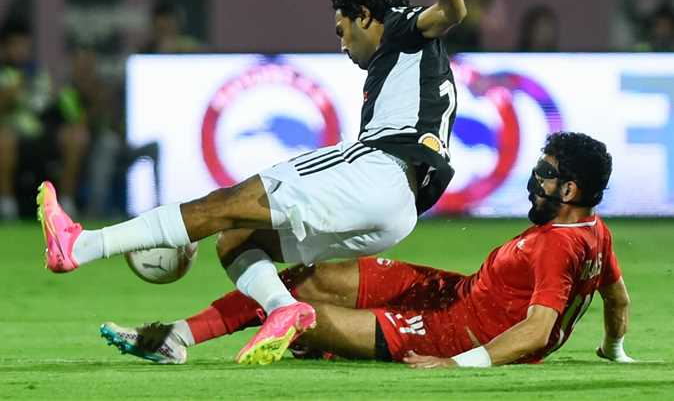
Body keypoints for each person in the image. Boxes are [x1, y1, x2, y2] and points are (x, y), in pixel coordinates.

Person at [38, 0, 467, 364]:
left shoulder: (398, 23)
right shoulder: (407, 61)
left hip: (379, 170)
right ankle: (277, 310)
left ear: (365, 16)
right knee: (237, 238)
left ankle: (80, 246)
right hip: (400, 211)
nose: (342, 45)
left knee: (222, 205)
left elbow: (445, 16)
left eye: (343, 30)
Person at [100, 132, 634, 368]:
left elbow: (537, 332)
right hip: (450, 293)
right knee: (304, 280)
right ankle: (178, 337)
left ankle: (183, 337)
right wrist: (612, 350)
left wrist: (459, 365)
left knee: (302, 319)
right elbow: (618, 300)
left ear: (570, 190)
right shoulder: (595, 232)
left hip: (449, 335)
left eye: (545, 174)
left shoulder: (554, 246)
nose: (535, 180)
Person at [0, 15, 87, 218]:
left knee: (77, 136)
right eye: (15, 45)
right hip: (13, 134)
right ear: (5, 47)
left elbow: (63, 108)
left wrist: (59, 97)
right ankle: (6, 204)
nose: (20, 50)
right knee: (4, 139)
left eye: (24, 45)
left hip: (44, 132)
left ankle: (66, 201)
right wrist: (8, 96)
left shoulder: (39, 73)